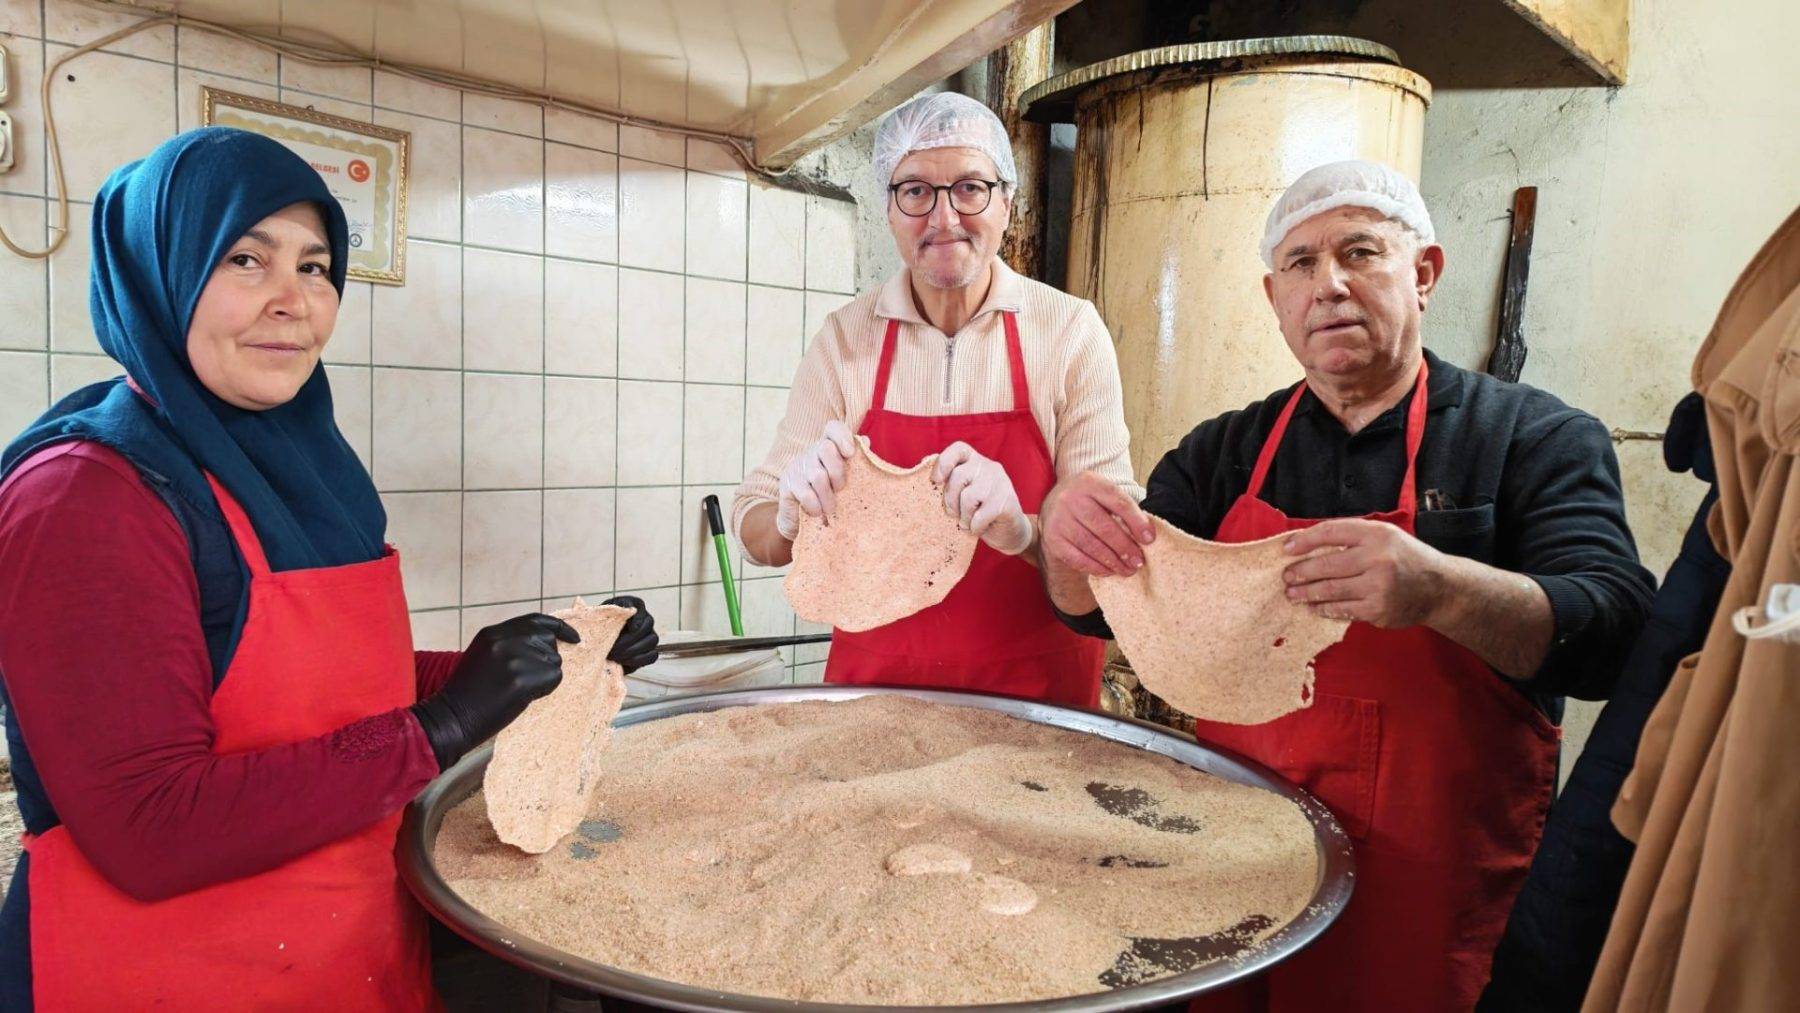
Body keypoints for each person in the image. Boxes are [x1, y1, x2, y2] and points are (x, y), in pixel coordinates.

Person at [0, 128, 658, 1010]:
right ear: (164, 272)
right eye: (245, 259)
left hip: (340, 951)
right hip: (172, 976)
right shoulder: (87, 492)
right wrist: (444, 725)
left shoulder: (295, 463)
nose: (293, 301)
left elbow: (330, 691)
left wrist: (545, 661)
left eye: (314, 267)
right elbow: (148, 826)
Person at [1037, 160, 1655, 1010]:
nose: (1327, 284)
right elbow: (1096, 615)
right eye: (1300, 263)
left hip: (1427, 885)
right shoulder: (1225, 452)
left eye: (1359, 252)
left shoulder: (1533, 438)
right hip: (1238, 862)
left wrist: (1441, 591)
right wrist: (1065, 539)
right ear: (1274, 297)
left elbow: (1615, 633)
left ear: (1424, 273)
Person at [731, 92, 1136, 707]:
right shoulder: (845, 338)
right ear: (889, 209)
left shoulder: (1068, 332)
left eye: (970, 188)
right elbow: (753, 522)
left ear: (1006, 202)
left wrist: (1025, 532)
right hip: (875, 699)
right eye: (916, 191)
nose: (944, 219)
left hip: (1036, 703)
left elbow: (1115, 546)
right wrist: (788, 515)